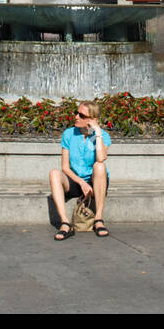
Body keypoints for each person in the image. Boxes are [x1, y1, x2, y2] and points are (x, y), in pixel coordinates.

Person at [50, 99, 110, 239]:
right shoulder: (69, 134)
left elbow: (101, 158)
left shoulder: (99, 136)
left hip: (95, 182)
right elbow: (65, 167)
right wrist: (81, 183)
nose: (76, 117)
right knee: (54, 173)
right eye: (77, 113)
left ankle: (98, 219)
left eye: (82, 116)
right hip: (76, 181)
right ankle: (65, 223)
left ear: (93, 119)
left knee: (99, 166)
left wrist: (97, 132)